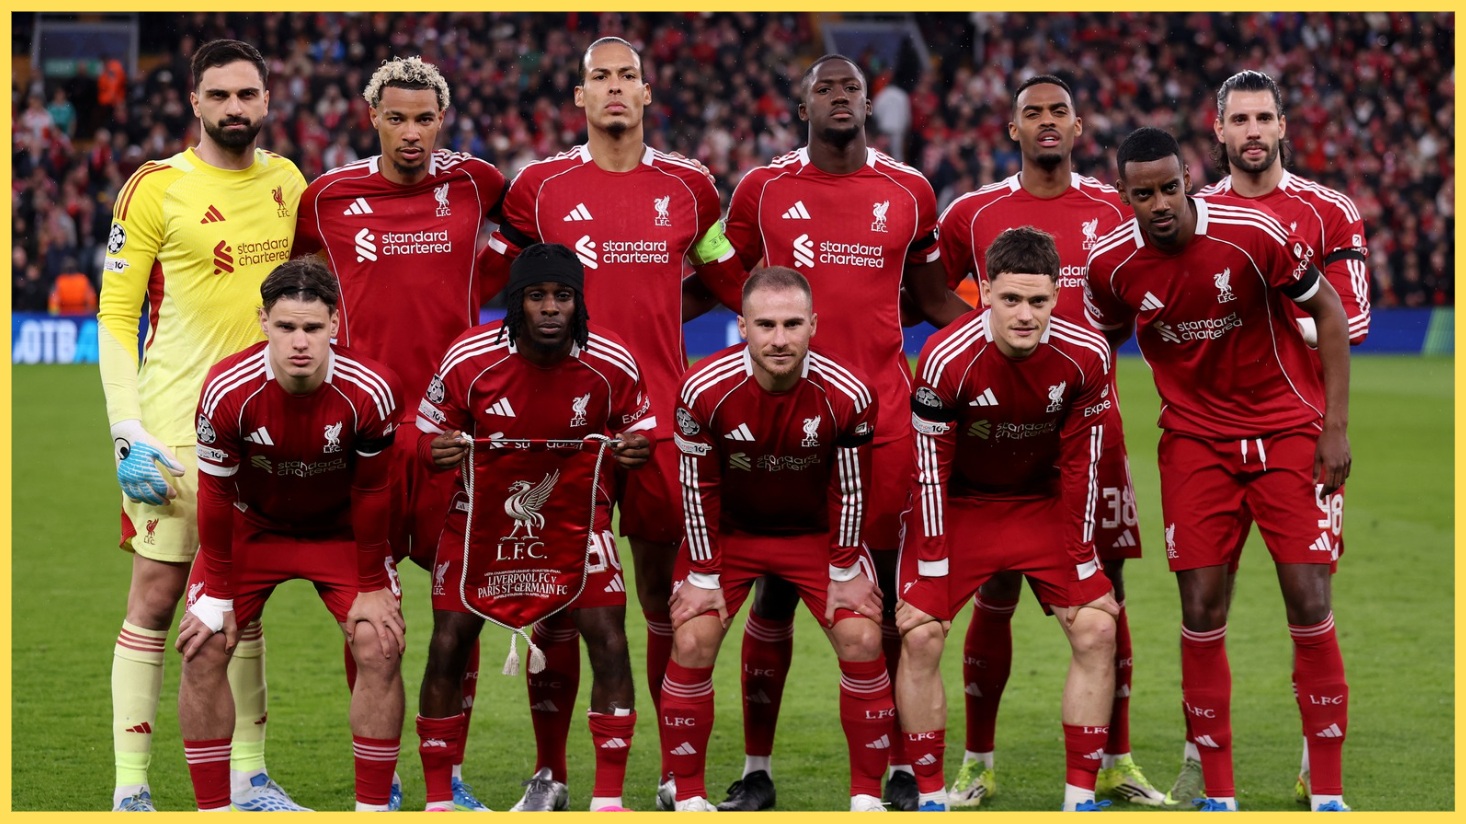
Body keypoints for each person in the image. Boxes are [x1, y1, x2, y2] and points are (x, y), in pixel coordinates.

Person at [476, 35, 744, 809]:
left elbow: (727, 277)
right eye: (602, 77)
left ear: (648, 93)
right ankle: (551, 773)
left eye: (629, 76)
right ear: (580, 97)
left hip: (662, 426)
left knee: (669, 601)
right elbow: (500, 285)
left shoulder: (691, 186)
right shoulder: (539, 188)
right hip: (563, 434)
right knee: (556, 598)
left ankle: (671, 772)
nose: (616, 88)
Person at [717, 53, 969, 812]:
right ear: (803, 104)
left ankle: (894, 763)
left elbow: (928, 293)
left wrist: (986, 338)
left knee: (885, 600)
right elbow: (714, 258)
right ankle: (757, 769)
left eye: (850, 88)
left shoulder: (909, 190)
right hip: (785, 428)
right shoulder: (763, 189)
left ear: (868, 103)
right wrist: (749, 311)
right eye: (824, 87)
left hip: (884, 424)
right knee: (775, 598)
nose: (838, 97)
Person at [1086, 126, 1353, 812]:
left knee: (1309, 598)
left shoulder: (1251, 233)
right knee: (1200, 611)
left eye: (1170, 188)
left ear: (1187, 180)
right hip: (1195, 445)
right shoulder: (1112, 264)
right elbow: (1097, 337)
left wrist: (1335, 429)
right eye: (1143, 194)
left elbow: (1327, 309)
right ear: (1126, 197)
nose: (1160, 204)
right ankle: (1220, 797)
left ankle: (1326, 792)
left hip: (1286, 431)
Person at [936, 74, 1162, 807]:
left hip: (1091, 426)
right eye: (1031, 113)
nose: (1046, 123)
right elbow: (935, 293)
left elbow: (1127, 303)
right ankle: (976, 761)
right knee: (993, 589)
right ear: (1012, 128)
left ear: (1080, 122)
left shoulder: (1112, 208)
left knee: (1106, 593)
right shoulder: (974, 212)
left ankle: (1117, 760)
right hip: (997, 431)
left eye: (1058, 110)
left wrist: (1090, 352)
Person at [291, 54, 508, 812]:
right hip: (366, 438)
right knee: (371, 619)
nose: (411, 134)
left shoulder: (477, 185)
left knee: (461, 615)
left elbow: (518, 248)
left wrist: (475, 297)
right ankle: (378, 781)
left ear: (442, 120)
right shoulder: (326, 199)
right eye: (397, 118)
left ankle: (449, 779)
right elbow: (300, 294)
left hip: (452, 433)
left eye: (424, 119)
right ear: (370, 116)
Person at [1154, 68, 1372, 810]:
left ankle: (1321, 765)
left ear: (1284, 127)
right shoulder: (1192, 216)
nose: (1252, 131)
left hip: (1298, 425)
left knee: (1310, 592)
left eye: (1264, 118)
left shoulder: (1328, 210)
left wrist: (1274, 307)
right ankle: (1203, 760)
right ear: (1217, 131)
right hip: (1207, 436)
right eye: (1238, 120)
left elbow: (1355, 320)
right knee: (1206, 598)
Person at [97, 38, 306, 812]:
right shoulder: (155, 189)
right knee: (155, 598)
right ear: (193, 101)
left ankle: (250, 778)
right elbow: (117, 318)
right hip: (176, 434)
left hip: (265, 435)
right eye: (219, 96)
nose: (234, 109)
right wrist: (128, 430)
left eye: (247, 95)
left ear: (267, 100)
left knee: (242, 604)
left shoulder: (289, 182)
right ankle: (131, 788)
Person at [413, 242, 655, 812]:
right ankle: (436, 802)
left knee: (610, 638)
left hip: (578, 518)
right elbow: (424, 432)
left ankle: (609, 799)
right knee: (448, 644)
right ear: (515, 304)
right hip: (479, 522)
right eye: (537, 296)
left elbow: (639, 429)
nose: (550, 308)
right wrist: (436, 450)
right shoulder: (468, 359)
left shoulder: (612, 362)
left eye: (563, 297)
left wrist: (634, 450)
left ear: (579, 305)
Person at [898, 226, 1120, 812]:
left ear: (1055, 297)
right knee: (919, 634)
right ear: (985, 293)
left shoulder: (1086, 354)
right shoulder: (946, 356)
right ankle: (929, 798)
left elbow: (1082, 465)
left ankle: (1079, 799)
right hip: (962, 507)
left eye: (1039, 301)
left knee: (1098, 628)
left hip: (1040, 506)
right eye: (1010, 300)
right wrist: (933, 570)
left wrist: (1081, 554)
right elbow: (928, 469)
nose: (1025, 315)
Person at [659, 267, 892, 812]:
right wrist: (702, 576)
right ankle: (689, 796)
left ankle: (865, 797)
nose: (779, 338)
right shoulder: (703, 390)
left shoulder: (849, 393)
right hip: (729, 537)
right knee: (692, 636)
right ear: (742, 326)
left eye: (792, 324)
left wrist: (843, 571)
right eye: (765, 324)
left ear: (815, 324)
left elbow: (851, 491)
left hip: (814, 536)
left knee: (862, 635)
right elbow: (698, 490)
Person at [176, 259, 405, 812]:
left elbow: (374, 494)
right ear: (263, 322)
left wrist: (374, 585)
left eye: (312, 328)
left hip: (341, 534)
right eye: (285, 327)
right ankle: (216, 812)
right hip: (252, 528)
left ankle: (372, 811)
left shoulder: (371, 390)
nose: (299, 342)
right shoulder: (227, 390)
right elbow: (214, 494)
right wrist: (220, 593)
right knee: (202, 644)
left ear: (335, 324)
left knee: (379, 644)